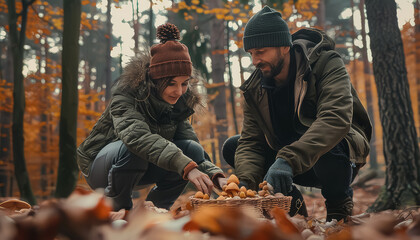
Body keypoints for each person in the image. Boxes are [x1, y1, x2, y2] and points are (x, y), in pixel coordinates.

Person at [222, 6, 372, 222]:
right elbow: (252, 142)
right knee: (234, 146)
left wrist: (287, 160)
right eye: (251, 54)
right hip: (286, 161)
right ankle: (291, 204)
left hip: (333, 156)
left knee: (331, 144)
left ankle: (339, 206)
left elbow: (335, 119)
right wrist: (245, 184)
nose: (254, 61)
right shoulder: (255, 87)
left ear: (284, 46)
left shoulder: (326, 63)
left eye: (261, 52)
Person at [77, 23, 225, 211]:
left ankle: (156, 210)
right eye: (171, 84)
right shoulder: (126, 95)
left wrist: (215, 175)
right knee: (135, 148)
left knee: (192, 149)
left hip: (143, 166)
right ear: (155, 81)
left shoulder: (178, 102)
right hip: (101, 169)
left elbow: (191, 152)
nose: (179, 91)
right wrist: (186, 166)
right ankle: (117, 210)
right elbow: (137, 138)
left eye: (184, 84)